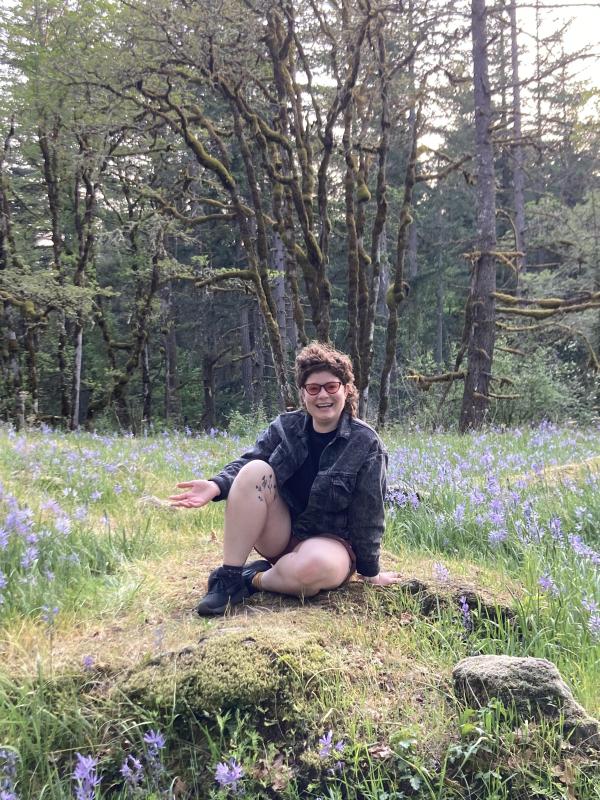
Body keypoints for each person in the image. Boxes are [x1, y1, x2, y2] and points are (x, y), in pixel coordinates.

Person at [169, 342, 401, 615]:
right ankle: (229, 578)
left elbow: (369, 513)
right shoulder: (285, 427)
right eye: (313, 388)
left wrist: (370, 571)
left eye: (331, 386)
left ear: (346, 389)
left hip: (332, 544)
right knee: (256, 469)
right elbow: (248, 462)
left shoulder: (366, 443)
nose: (322, 395)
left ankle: (254, 579)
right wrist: (215, 485)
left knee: (311, 570)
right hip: (283, 532)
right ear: (303, 394)